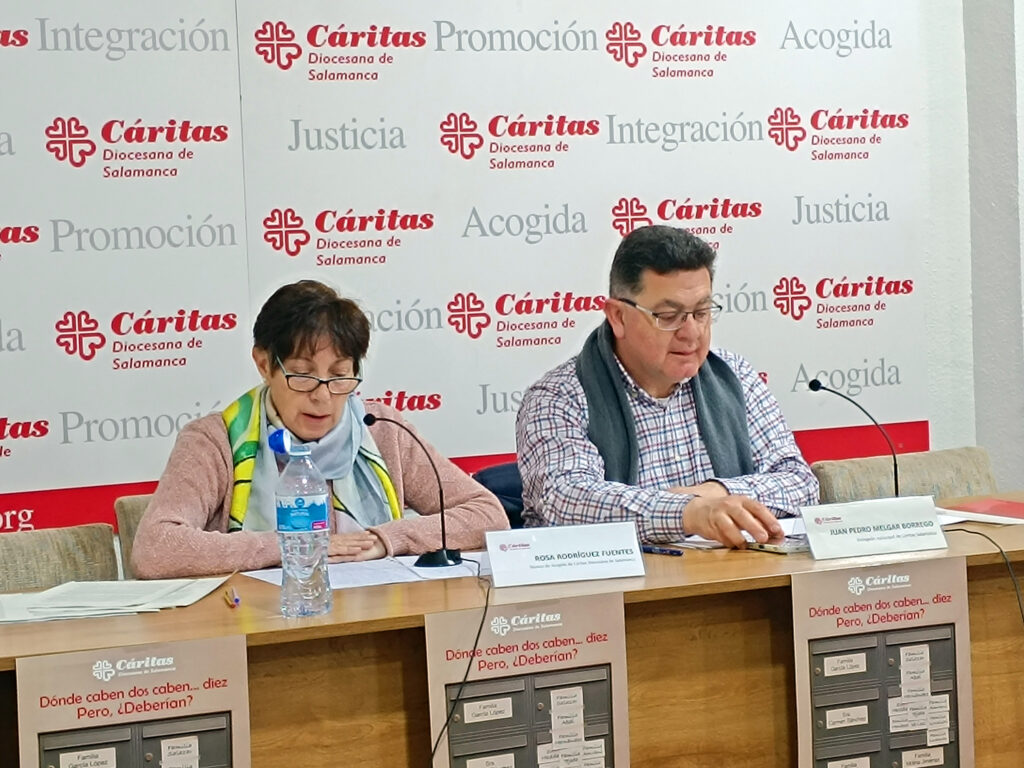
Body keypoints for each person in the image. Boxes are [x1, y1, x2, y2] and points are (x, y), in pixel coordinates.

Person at [132, 280, 508, 578]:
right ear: (264, 364)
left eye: (340, 376)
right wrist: (289, 546)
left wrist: (385, 539)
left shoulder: (381, 429)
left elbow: (488, 515)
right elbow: (155, 548)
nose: (323, 396)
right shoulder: (217, 440)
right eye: (303, 375)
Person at [515, 225, 818, 548]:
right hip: (620, 580)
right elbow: (566, 500)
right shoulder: (557, 398)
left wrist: (716, 494)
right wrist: (689, 513)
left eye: (701, 312)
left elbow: (801, 484)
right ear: (618, 317)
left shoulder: (735, 376)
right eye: (668, 316)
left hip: (734, 572)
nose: (692, 333)